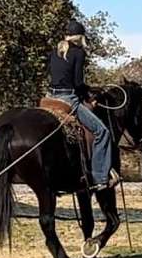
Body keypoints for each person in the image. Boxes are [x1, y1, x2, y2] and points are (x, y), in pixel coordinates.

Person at [47, 19, 119, 191]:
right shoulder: (78, 53)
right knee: (102, 132)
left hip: (50, 97)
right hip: (68, 99)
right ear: (80, 37)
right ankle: (100, 178)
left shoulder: (54, 51)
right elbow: (78, 83)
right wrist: (88, 93)